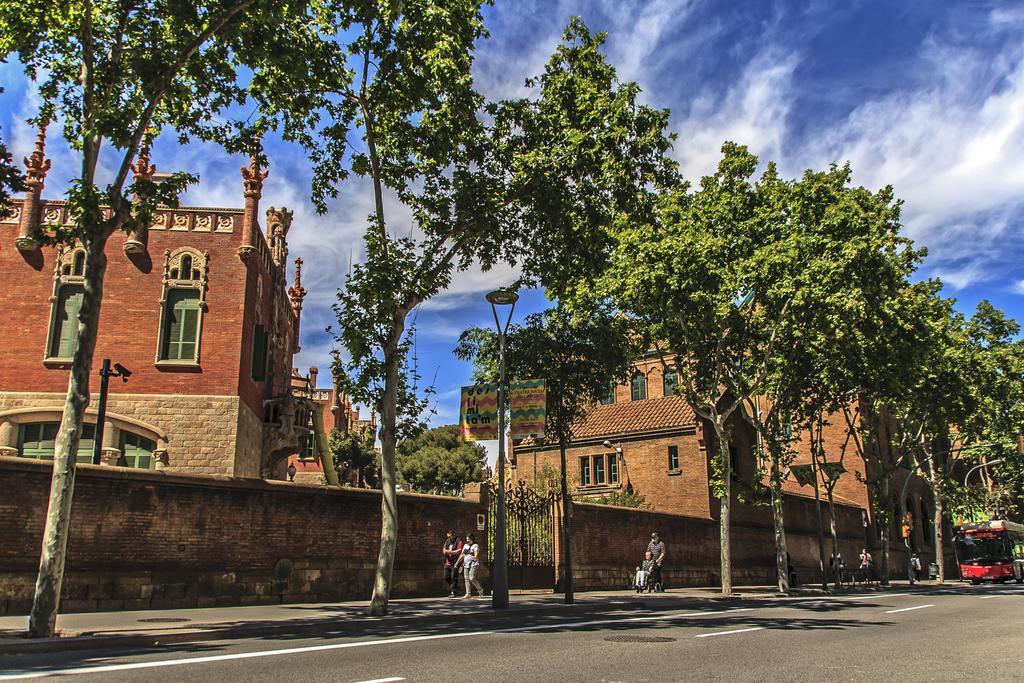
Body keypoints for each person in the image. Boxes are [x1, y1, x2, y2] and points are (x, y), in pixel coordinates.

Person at [457, 532, 485, 598]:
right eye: (466, 539)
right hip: (465, 564)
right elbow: (462, 555)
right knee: (466, 579)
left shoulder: (475, 545)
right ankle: (468, 594)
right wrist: (457, 563)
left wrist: (475, 556)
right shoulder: (465, 546)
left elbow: (476, 553)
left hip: (473, 564)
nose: (467, 541)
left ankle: (480, 590)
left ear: (471, 539)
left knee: (471, 578)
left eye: (468, 539)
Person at [442, 530, 463, 597]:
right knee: (446, 577)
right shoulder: (447, 541)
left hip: (455, 562)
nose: (449, 537)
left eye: (450, 535)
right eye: (448, 535)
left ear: (453, 534)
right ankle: (456, 588)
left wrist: (449, 552)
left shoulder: (459, 541)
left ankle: (453, 592)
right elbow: (444, 549)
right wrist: (444, 551)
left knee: (454, 577)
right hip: (447, 562)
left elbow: (459, 550)